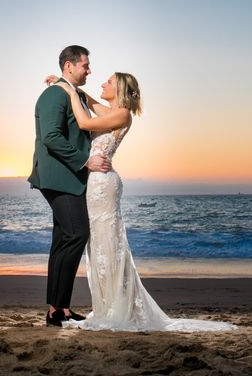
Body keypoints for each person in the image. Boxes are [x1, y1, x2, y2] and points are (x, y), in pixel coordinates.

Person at [49, 71, 238, 332]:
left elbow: (83, 122)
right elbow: (90, 102)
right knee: (100, 245)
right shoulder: (111, 111)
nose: (103, 83)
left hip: (103, 185)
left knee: (109, 242)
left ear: (120, 90)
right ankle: (107, 305)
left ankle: (117, 307)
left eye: (109, 82)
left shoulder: (122, 114)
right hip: (94, 183)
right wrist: (66, 85)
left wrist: (69, 92)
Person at [28, 45, 112, 327]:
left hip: (67, 177)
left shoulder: (70, 93)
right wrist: (85, 161)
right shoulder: (54, 95)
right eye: (85, 66)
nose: (89, 70)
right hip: (58, 176)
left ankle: (58, 309)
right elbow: (50, 137)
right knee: (77, 233)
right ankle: (58, 308)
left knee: (64, 239)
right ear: (69, 66)